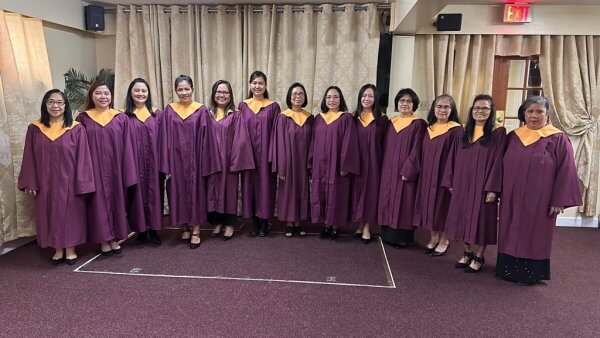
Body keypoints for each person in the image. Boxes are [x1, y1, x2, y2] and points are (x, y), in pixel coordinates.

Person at [496, 96, 582, 285]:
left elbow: (566, 170)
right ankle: (507, 269)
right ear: (524, 114)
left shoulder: (557, 138)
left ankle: (529, 274)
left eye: (539, 111)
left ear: (547, 114)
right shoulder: (514, 136)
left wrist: (559, 200)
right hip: (512, 196)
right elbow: (501, 166)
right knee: (509, 229)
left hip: (540, 199)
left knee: (534, 232)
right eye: (530, 111)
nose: (534, 116)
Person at [18, 89, 95, 265]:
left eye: (60, 102)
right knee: (49, 213)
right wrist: (31, 181)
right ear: (45, 105)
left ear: (65, 105)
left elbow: (83, 158)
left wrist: (83, 183)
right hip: (45, 182)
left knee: (71, 214)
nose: (55, 106)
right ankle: (57, 248)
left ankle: (70, 249)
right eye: (51, 102)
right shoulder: (35, 129)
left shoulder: (76, 129)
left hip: (70, 181)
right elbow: (29, 156)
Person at [443, 94, 507, 272]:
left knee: (482, 221)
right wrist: (450, 180)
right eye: (477, 108)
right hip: (462, 184)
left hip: (483, 186)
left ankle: (479, 256)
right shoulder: (463, 131)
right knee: (462, 218)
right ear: (472, 110)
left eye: (485, 108)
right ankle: (467, 253)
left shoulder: (498, 132)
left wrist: (493, 188)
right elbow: (453, 158)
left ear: (491, 111)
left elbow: (498, 162)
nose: (480, 111)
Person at [76, 81, 138, 256]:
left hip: (115, 169)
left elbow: (128, 146)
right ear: (91, 96)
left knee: (117, 202)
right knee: (98, 204)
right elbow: (79, 148)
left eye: (106, 93)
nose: (103, 97)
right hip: (94, 169)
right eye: (98, 93)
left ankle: (114, 238)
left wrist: (128, 171)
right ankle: (104, 239)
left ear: (111, 96)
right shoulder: (83, 118)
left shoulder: (120, 118)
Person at [159, 75, 219, 249]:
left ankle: (196, 230)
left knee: (196, 193)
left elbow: (208, 139)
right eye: (180, 89)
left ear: (193, 89)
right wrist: (166, 163)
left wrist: (206, 163)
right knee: (177, 192)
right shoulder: (169, 110)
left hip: (196, 160)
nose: (183, 92)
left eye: (187, 89)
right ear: (175, 91)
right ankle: (183, 225)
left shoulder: (201, 110)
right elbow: (164, 138)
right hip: (176, 161)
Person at [413, 94, 462, 256]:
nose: (442, 109)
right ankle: (433, 237)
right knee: (429, 207)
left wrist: (451, 179)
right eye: (439, 106)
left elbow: (457, 157)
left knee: (443, 208)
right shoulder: (429, 128)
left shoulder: (456, 130)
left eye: (446, 107)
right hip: (427, 176)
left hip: (444, 177)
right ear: (434, 109)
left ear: (452, 110)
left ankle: (444, 240)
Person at [206, 80, 254, 241]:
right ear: (213, 94)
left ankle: (230, 224)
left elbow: (241, 140)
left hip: (228, 161)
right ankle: (217, 222)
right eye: (219, 92)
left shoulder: (236, 114)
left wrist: (235, 161)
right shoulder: (207, 114)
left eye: (225, 92)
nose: (222, 95)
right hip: (211, 161)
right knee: (213, 192)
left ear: (230, 95)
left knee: (229, 191)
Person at [378, 88, 426, 248]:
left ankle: (402, 237)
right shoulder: (392, 122)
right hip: (388, 170)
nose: (405, 104)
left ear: (414, 104)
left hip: (405, 172)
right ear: (397, 103)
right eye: (402, 101)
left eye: (408, 101)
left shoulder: (418, 124)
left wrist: (409, 170)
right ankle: (387, 234)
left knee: (404, 202)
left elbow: (417, 149)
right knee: (387, 199)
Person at [312, 86, 360, 240]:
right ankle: (325, 224)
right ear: (325, 100)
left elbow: (349, 142)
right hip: (320, 165)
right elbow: (313, 142)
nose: (332, 100)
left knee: (336, 195)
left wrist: (345, 165)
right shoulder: (318, 118)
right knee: (322, 193)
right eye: (329, 97)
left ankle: (335, 226)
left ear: (341, 100)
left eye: (335, 97)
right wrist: (311, 162)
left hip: (337, 165)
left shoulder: (345, 118)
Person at [238, 70, 281, 237]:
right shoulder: (243, 105)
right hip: (247, 155)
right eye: (254, 83)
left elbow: (277, 133)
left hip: (265, 155)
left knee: (265, 187)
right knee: (249, 187)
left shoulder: (273, 106)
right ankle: (254, 222)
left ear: (265, 86)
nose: (257, 86)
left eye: (260, 83)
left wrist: (273, 156)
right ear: (250, 85)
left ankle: (264, 221)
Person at [123, 78, 163, 245]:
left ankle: (153, 229)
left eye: (143, 91)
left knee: (155, 193)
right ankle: (140, 229)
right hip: (134, 163)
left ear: (148, 93)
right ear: (131, 93)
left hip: (154, 163)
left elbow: (164, 140)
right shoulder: (123, 116)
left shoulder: (157, 114)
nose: (140, 94)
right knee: (136, 195)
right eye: (137, 90)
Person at [270, 83, 314, 237]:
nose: (297, 97)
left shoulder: (309, 118)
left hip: (303, 162)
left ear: (305, 97)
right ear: (289, 96)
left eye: (301, 94)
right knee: (288, 191)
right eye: (294, 94)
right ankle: (289, 222)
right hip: (288, 163)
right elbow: (279, 144)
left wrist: (311, 163)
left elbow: (313, 142)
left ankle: (299, 222)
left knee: (302, 190)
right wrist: (281, 166)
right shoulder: (283, 117)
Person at [350, 84, 388, 244]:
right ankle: (359, 224)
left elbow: (386, 143)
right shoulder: (353, 117)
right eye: (364, 95)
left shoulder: (382, 118)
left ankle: (367, 227)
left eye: (370, 96)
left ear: (376, 99)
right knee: (357, 192)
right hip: (357, 161)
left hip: (374, 161)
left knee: (370, 193)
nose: (367, 99)